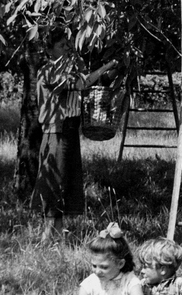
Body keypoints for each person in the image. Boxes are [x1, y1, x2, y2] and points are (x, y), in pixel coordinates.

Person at [31, 29, 118, 244]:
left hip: (69, 131)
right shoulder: (47, 72)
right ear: (49, 50)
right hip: (55, 132)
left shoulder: (68, 70)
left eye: (67, 45)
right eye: (61, 46)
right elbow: (81, 84)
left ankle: (58, 235)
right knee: (54, 182)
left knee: (66, 181)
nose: (66, 49)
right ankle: (46, 236)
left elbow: (85, 81)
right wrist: (104, 68)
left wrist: (109, 69)